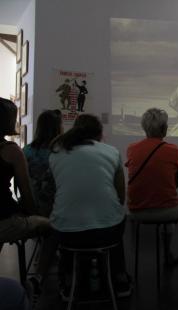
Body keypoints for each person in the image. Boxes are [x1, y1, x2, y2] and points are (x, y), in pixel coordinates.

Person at [48, 114, 131, 298]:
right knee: (117, 216)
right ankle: (119, 278)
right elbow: (121, 196)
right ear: (99, 133)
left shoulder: (56, 152)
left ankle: (69, 281)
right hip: (108, 233)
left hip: (67, 234)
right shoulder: (112, 151)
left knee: (68, 221)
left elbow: (58, 192)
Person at [125, 108, 178, 267]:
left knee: (165, 200)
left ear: (144, 128)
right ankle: (167, 254)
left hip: (136, 211)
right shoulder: (175, 151)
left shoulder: (131, 148)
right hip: (168, 211)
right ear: (164, 129)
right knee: (169, 206)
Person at [22, 110, 63, 304]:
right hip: (57, 211)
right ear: (58, 128)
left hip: (31, 210)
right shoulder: (61, 152)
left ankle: (44, 257)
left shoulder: (26, 151)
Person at [0, 97, 50, 244]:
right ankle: (42, 267)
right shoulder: (11, 150)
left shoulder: (23, 150)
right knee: (53, 227)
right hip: (4, 219)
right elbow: (26, 192)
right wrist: (34, 215)